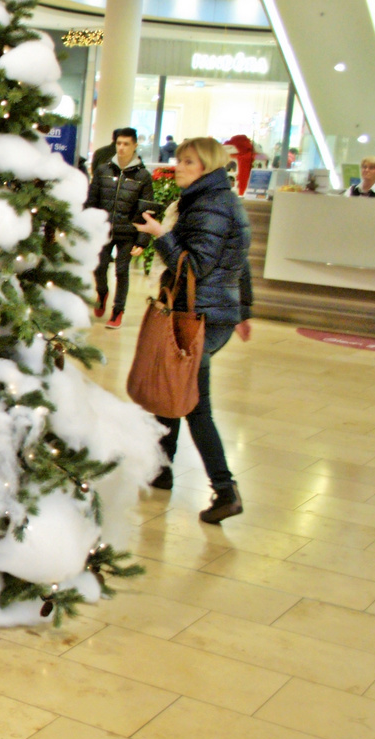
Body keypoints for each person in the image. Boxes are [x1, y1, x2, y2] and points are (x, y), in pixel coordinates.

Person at [134, 136, 252, 525]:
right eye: (180, 160)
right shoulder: (215, 201)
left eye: (188, 162)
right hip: (211, 313)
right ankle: (161, 468)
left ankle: (225, 489)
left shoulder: (210, 206)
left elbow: (194, 266)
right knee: (174, 382)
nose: (178, 167)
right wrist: (244, 310)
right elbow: (240, 262)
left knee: (194, 403)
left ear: (207, 168)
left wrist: (159, 236)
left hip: (200, 316)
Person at [87, 127, 157, 329]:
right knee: (99, 267)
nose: (122, 148)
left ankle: (118, 310)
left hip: (128, 232)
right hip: (104, 229)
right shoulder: (103, 170)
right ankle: (102, 292)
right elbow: (92, 201)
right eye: (119, 143)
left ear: (135, 146)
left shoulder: (143, 176)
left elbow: (147, 209)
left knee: (122, 270)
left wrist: (142, 240)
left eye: (126, 144)